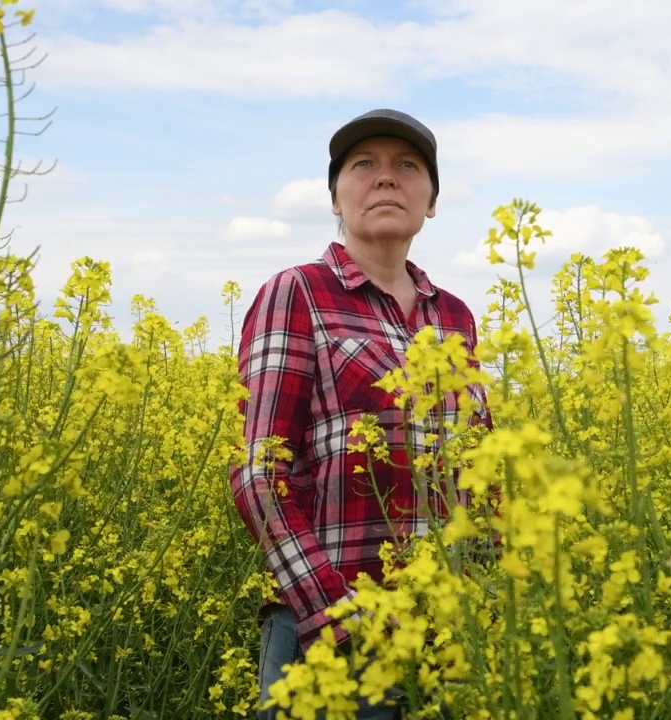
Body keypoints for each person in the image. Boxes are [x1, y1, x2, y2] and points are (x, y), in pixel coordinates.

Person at [230, 109, 492, 720]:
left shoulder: (453, 315)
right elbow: (260, 472)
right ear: (335, 198)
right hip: (331, 637)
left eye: (407, 166)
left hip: (446, 634)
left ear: (430, 201)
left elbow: (479, 472)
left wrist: (486, 599)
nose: (386, 179)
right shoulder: (297, 291)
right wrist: (342, 613)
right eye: (363, 165)